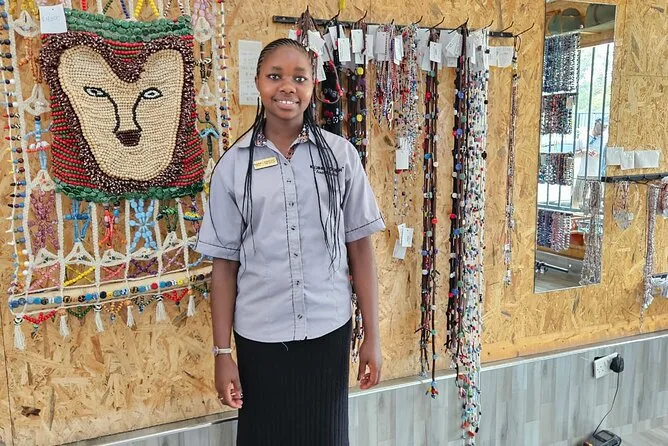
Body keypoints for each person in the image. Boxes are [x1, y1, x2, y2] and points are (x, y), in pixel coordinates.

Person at [194, 38, 385, 446]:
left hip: (327, 331)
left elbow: (360, 249)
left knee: (326, 437)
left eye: (299, 78)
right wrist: (222, 354)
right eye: (275, 76)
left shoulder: (340, 157)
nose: (287, 87)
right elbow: (224, 266)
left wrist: (373, 335)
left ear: (313, 85)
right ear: (258, 83)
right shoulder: (233, 167)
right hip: (261, 337)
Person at [572, 118, 608, 208]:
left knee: (595, 203)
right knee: (577, 201)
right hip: (583, 173)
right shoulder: (583, 137)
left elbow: (608, 157)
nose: (602, 129)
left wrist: (599, 155)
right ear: (595, 124)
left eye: (605, 127)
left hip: (598, 174)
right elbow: (574, 154)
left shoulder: (605, 140)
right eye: (601, 126)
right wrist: (583, 151)